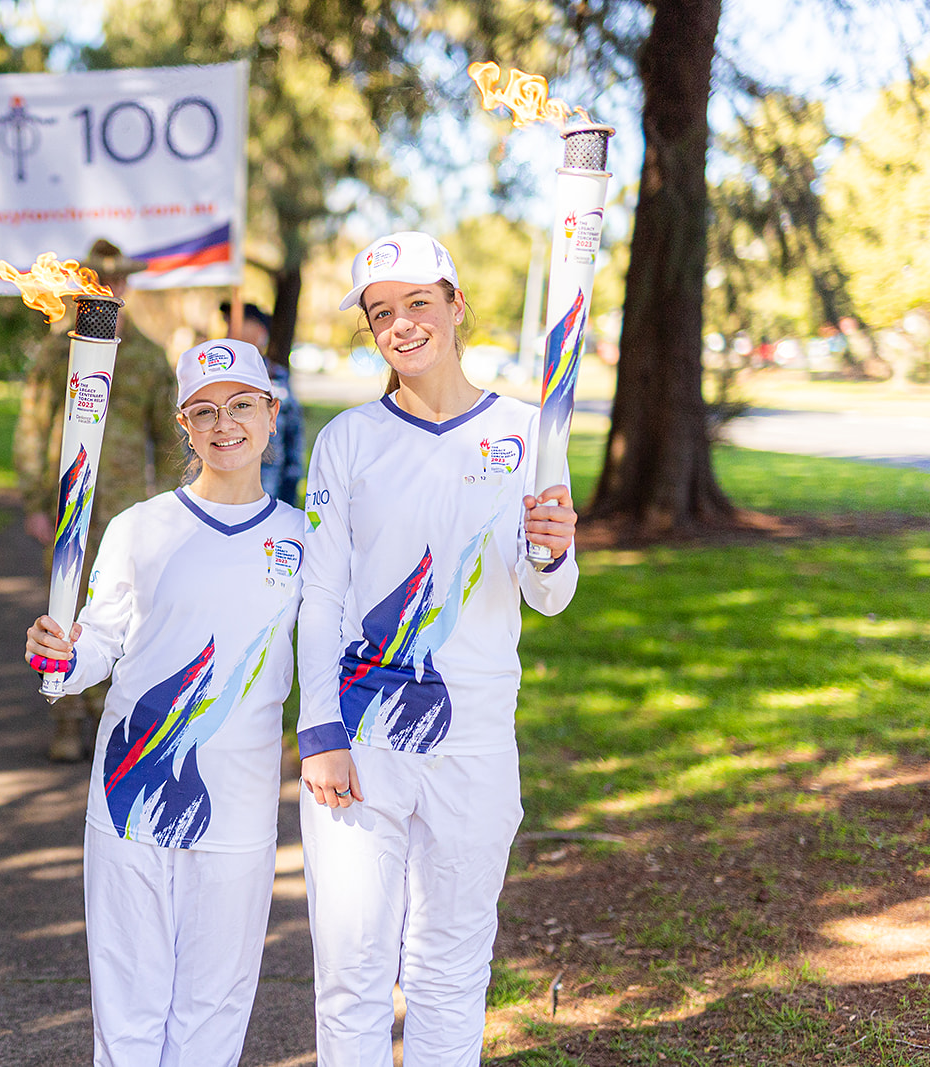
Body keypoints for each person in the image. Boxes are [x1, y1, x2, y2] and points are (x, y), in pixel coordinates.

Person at [294, 232, 579, 1066]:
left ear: (456, 305)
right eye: (382, 312)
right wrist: (319, 729)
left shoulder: (532, 432)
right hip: (362, 739)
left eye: (419, 302)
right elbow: (321, 593)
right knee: (351, 971)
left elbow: (549, 595)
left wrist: (555, 547)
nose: (401, 324)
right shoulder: (347, 441)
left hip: (477, 738)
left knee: (451, 968)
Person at [25, 338, 304, 1067]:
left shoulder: (305, 539)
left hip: (237, 808)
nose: (225, 424)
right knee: (128, 1007)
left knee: (213, 1012)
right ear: (183, 423)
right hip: (127, 800)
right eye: (205, 411)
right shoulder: (138, 528)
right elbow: (100, 642)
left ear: (272, 414)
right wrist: (62, 655)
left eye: (243, 405)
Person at [14, 238, 182, 762]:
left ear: (128, 286)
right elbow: (33, 427)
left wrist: (178, 510)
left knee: (122, 614)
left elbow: (173, 441)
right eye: (101, 280)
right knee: (62, 609)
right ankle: (65, 720)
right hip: (70, 508)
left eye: (119, 281)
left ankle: (111, 717)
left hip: (127, 511)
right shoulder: (56, 350)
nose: (111, 289)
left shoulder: (150, 357)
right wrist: (35, 501)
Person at [222, 300, 304, 504]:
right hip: (224, 493)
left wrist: (290, 487)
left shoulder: (276, 377)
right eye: (229, 323)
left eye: (240, 323)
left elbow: (293, 436)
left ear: (260, 332)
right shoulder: (217, 380)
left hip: (269, 490)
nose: (230, 330)